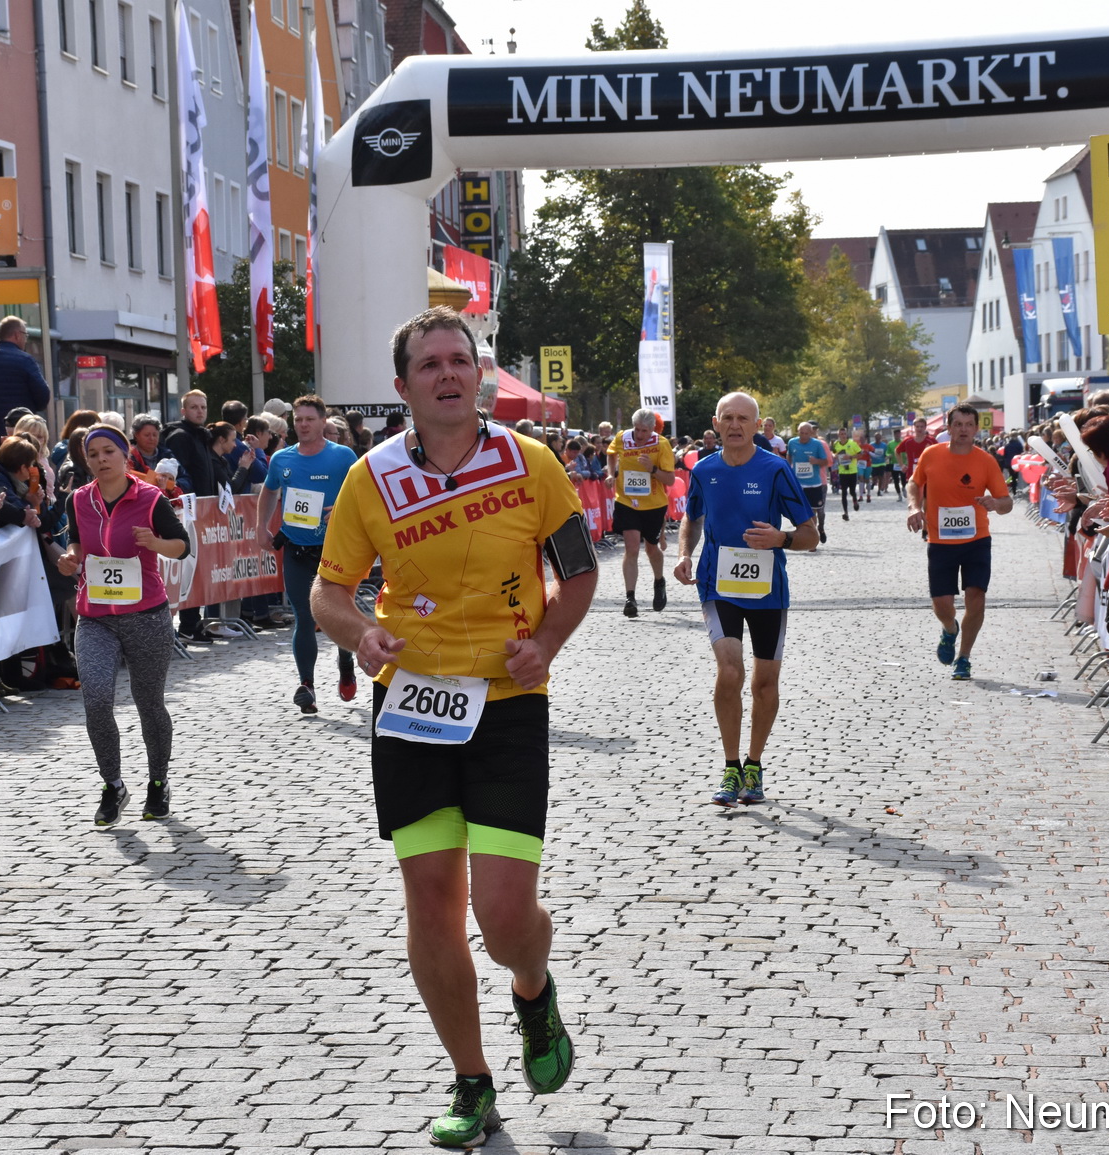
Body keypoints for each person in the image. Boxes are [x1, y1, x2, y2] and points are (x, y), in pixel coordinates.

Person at [309, 308, 596, 1148]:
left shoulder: (531, 463)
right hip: (412, 709)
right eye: (429, 363)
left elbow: (576, 571)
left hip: (506, 706)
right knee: (432, 900)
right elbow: (329, 590)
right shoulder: (371, 477)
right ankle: (472, 1079)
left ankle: (533, 992)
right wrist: (360, 632)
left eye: (459, 361)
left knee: (505, 915)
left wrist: (545, 644)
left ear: (481, 375)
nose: (447, 374)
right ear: (403, 386)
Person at [675, 392, 817, 808]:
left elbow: (810, 534)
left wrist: (782, 538)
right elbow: (691, 516)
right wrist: (684, 553)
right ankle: (731, 764)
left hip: (767, 588)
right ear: (716, 423)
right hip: (717, 585)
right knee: (730, 670)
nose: (735, 425)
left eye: (744, 419)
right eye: (728, 418)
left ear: (758, 426)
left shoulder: (775, 470)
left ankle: (754, 764)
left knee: (764, 682)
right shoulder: (703, 470)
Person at [54, 426, 191, 826]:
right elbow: (77, 543)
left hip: (146, 617)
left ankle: (157, 783)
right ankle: (112, 785)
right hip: (95, 617)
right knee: (96, 699)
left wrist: (155, 543)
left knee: (149, 703)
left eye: (108, 451)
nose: (100, 459)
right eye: (92, 453)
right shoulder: (78, 500)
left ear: (124, 454)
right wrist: (71, 557)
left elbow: (182, 546)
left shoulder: (149, 498)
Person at [256, 395, 359, 714]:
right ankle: (307, 685)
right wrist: (261, 526)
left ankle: (345, 660)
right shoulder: (281, 459)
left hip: (335, 549)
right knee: (304, 616)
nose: (302, 424)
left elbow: (362, 493)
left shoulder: (343, 456)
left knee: (339, 616)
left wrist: (340, 510)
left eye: (309, 419)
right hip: (297, 549)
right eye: (298, 419)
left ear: (322, 422)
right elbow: (270, 490)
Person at [906, 405, 1012, 681]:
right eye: (958, 424)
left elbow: (1007, 502)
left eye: (969, 424)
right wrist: (913, 507)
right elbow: (914, 484)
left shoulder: (986, 461)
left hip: (977, 539)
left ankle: (964, 657)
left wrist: (996, 503)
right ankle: (950, 628)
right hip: (940, 540)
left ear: (976, 428)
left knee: (976, 597)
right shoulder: (931, 455)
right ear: (948, 428)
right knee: (942, 605)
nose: (963, 429)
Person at [605, 408, 676, 618]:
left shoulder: (661, 444)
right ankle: (630, 597)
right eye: (637, 429)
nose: (639, 435)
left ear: (652, 429)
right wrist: (611, 474)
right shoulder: (622, 438)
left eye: (644, 431)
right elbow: (611, 454)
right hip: (627, 501)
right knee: (632, 547)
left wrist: (652, 469)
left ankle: (659, 581)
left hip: (653, 505)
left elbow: (670, 480)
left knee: (652, 550)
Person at [163, 390, 219, 643]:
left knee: (197, 570)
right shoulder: (181, 436)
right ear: (183, 410)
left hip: (201, 511)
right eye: (194, 407)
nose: (199, 411)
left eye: (203, 407)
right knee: (188, 568)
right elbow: (180, 474)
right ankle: (187, 623)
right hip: (187, 512)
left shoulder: (201, 435)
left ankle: (192, 622)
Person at [0, 316, 50, 452]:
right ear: (17, 335)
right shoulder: (25, 360)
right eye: (25, 335)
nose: (26, 340)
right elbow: (43, 397)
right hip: (21, 437)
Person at [783, 423, 830, 545]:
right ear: (797, 432)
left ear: (811, 433)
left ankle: (812, 539)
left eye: (806, 433)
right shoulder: (792, 442)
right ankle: (805, 535)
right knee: (800, 511)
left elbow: (826, 461)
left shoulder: (817, 444)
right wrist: (787, 472)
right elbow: (789, 458)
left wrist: (816, 461)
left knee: (812, 511)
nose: (803, 436)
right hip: (797, 484)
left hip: (813, 484)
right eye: (801, 433)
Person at [831, 427, 862, 518]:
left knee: (852, 491)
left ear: (846, 434)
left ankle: (855, 500)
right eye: (841, 434)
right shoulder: (836, 444)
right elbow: (833, 453)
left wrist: (851, 457)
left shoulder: (852, 443)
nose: (843, 436)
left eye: (844, 434)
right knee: (843, 492)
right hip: (842, 471)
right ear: (838, 435)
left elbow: (860, 454)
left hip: (852, 471)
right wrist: (834, 455)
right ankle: (846, 512)